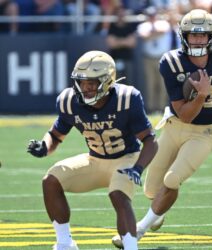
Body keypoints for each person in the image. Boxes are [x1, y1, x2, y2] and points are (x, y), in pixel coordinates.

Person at [112, 8, 212, 248]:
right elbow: (184, 113)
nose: (197, 40)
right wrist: (201, 94)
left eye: (202, 35)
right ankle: (158, 210)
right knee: (152, 190)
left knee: (172, 180)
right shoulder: (171, 62)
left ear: (211, 36)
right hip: (176, 125)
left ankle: (139, 229)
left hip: (205, 131)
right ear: (183, 36)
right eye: (192, 35)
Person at [27, 50, 158, 250]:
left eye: (91, 83)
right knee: (51, 181)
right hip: (94, 160)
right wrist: (44, 147)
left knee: (118, 195)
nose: (85, 88)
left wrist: (138, 168)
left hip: (126, 157)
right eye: (81, 82)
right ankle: (65, 243)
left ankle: (131, 247)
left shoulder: (126, 98)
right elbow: (55, 135)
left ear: (107, 81)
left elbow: (150, 141)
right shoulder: (69, 101)